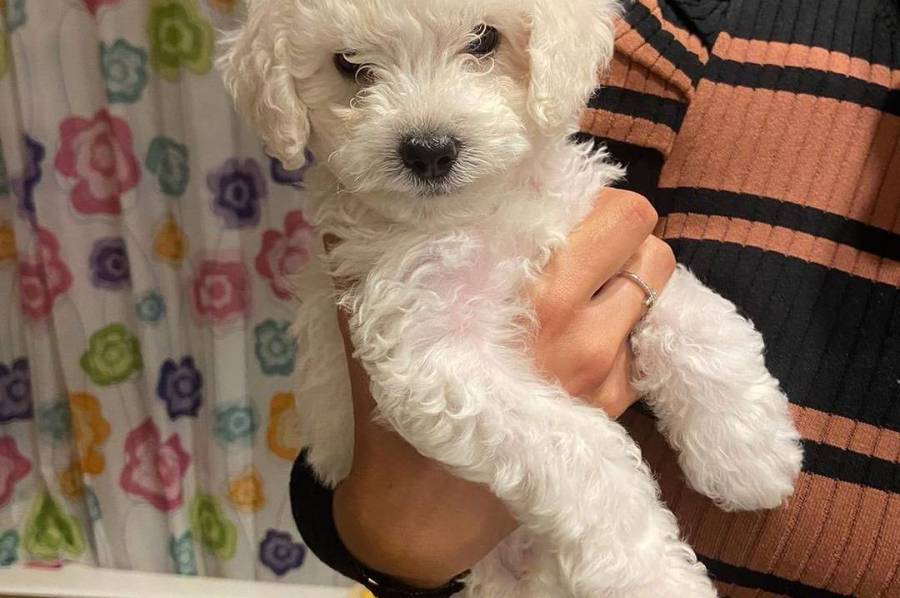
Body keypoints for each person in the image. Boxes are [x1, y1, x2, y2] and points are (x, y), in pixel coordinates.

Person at [290, 0, 900, 596]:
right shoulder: (671, 38)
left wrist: (705, 369)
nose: (425, 131)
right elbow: (439, 385)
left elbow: (633, 284)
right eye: (355, 66)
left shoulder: (560, 147)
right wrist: (624, 548)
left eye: (480, 43)